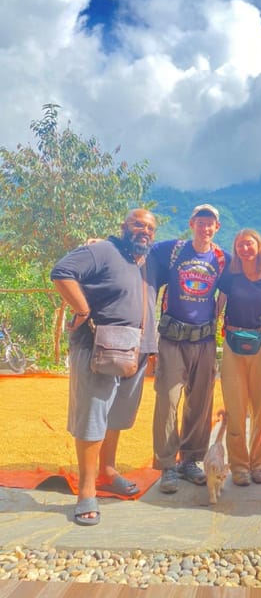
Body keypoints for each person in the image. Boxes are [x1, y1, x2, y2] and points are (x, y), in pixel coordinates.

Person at [50, 209, 159, 526]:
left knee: (117, 416)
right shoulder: (103, 250)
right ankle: (86, 490)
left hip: (135, 350)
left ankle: (107, 472)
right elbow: (61, 271)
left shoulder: (145, 261)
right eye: (138, 224)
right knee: (93, 417)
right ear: (124, 226)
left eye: (150, 227)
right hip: (100, 346)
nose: (144, 230)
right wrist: (82, 309)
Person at [151, 204, 231, 494]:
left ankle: (190, 460)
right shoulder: (172, 250)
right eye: (200, 222)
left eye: (210, 223)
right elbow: (139, 253)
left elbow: (243, 279)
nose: (205, 228)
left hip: (205, 340)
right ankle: (167, 465)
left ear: (217, 228)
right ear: (191, 223)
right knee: (168, 401)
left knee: (200, 403)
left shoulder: (222, 258)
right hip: (173, 338)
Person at [218, 229, 261, 486]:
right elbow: (218, 306)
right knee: (235, 407)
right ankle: (239, 466)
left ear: (259, 247)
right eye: (240, 244)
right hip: (232, 345)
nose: (245, 248)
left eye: (249, 244)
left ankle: (259, 464)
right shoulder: (229, 277)